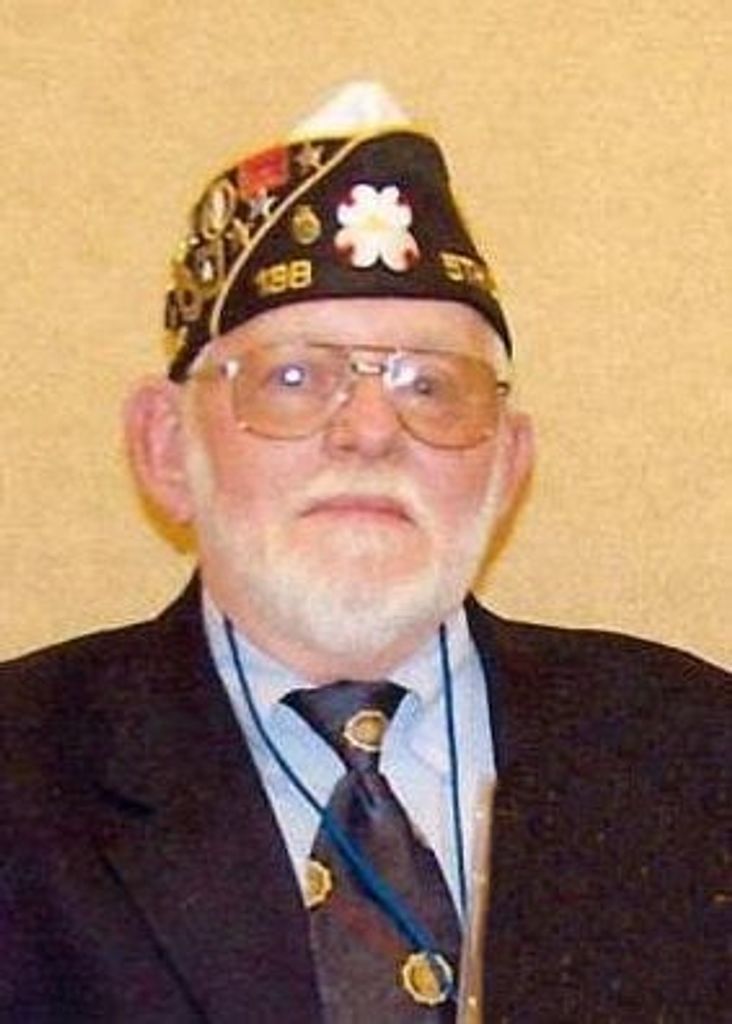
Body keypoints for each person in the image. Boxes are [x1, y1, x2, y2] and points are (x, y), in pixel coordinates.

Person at [1, 83, 729, 1024]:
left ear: (509, 465)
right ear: (165, 447)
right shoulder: (24, 776)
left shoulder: (694, 753)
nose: (372, 430)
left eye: (433, 387)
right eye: (294, 378)